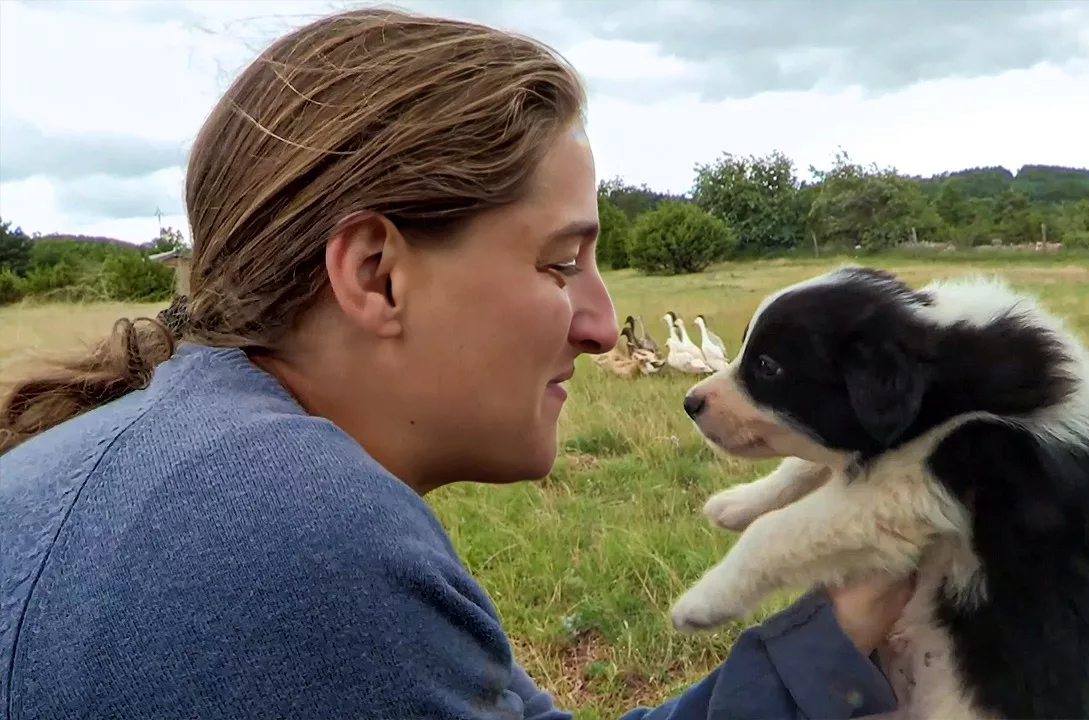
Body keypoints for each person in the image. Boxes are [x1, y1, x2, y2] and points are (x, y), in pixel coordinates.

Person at [0, 9, 912, 719]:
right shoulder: (287, 523)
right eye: (559, 264)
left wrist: (844, 620)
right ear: (375, 275)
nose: (599, 325)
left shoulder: (176, 463)